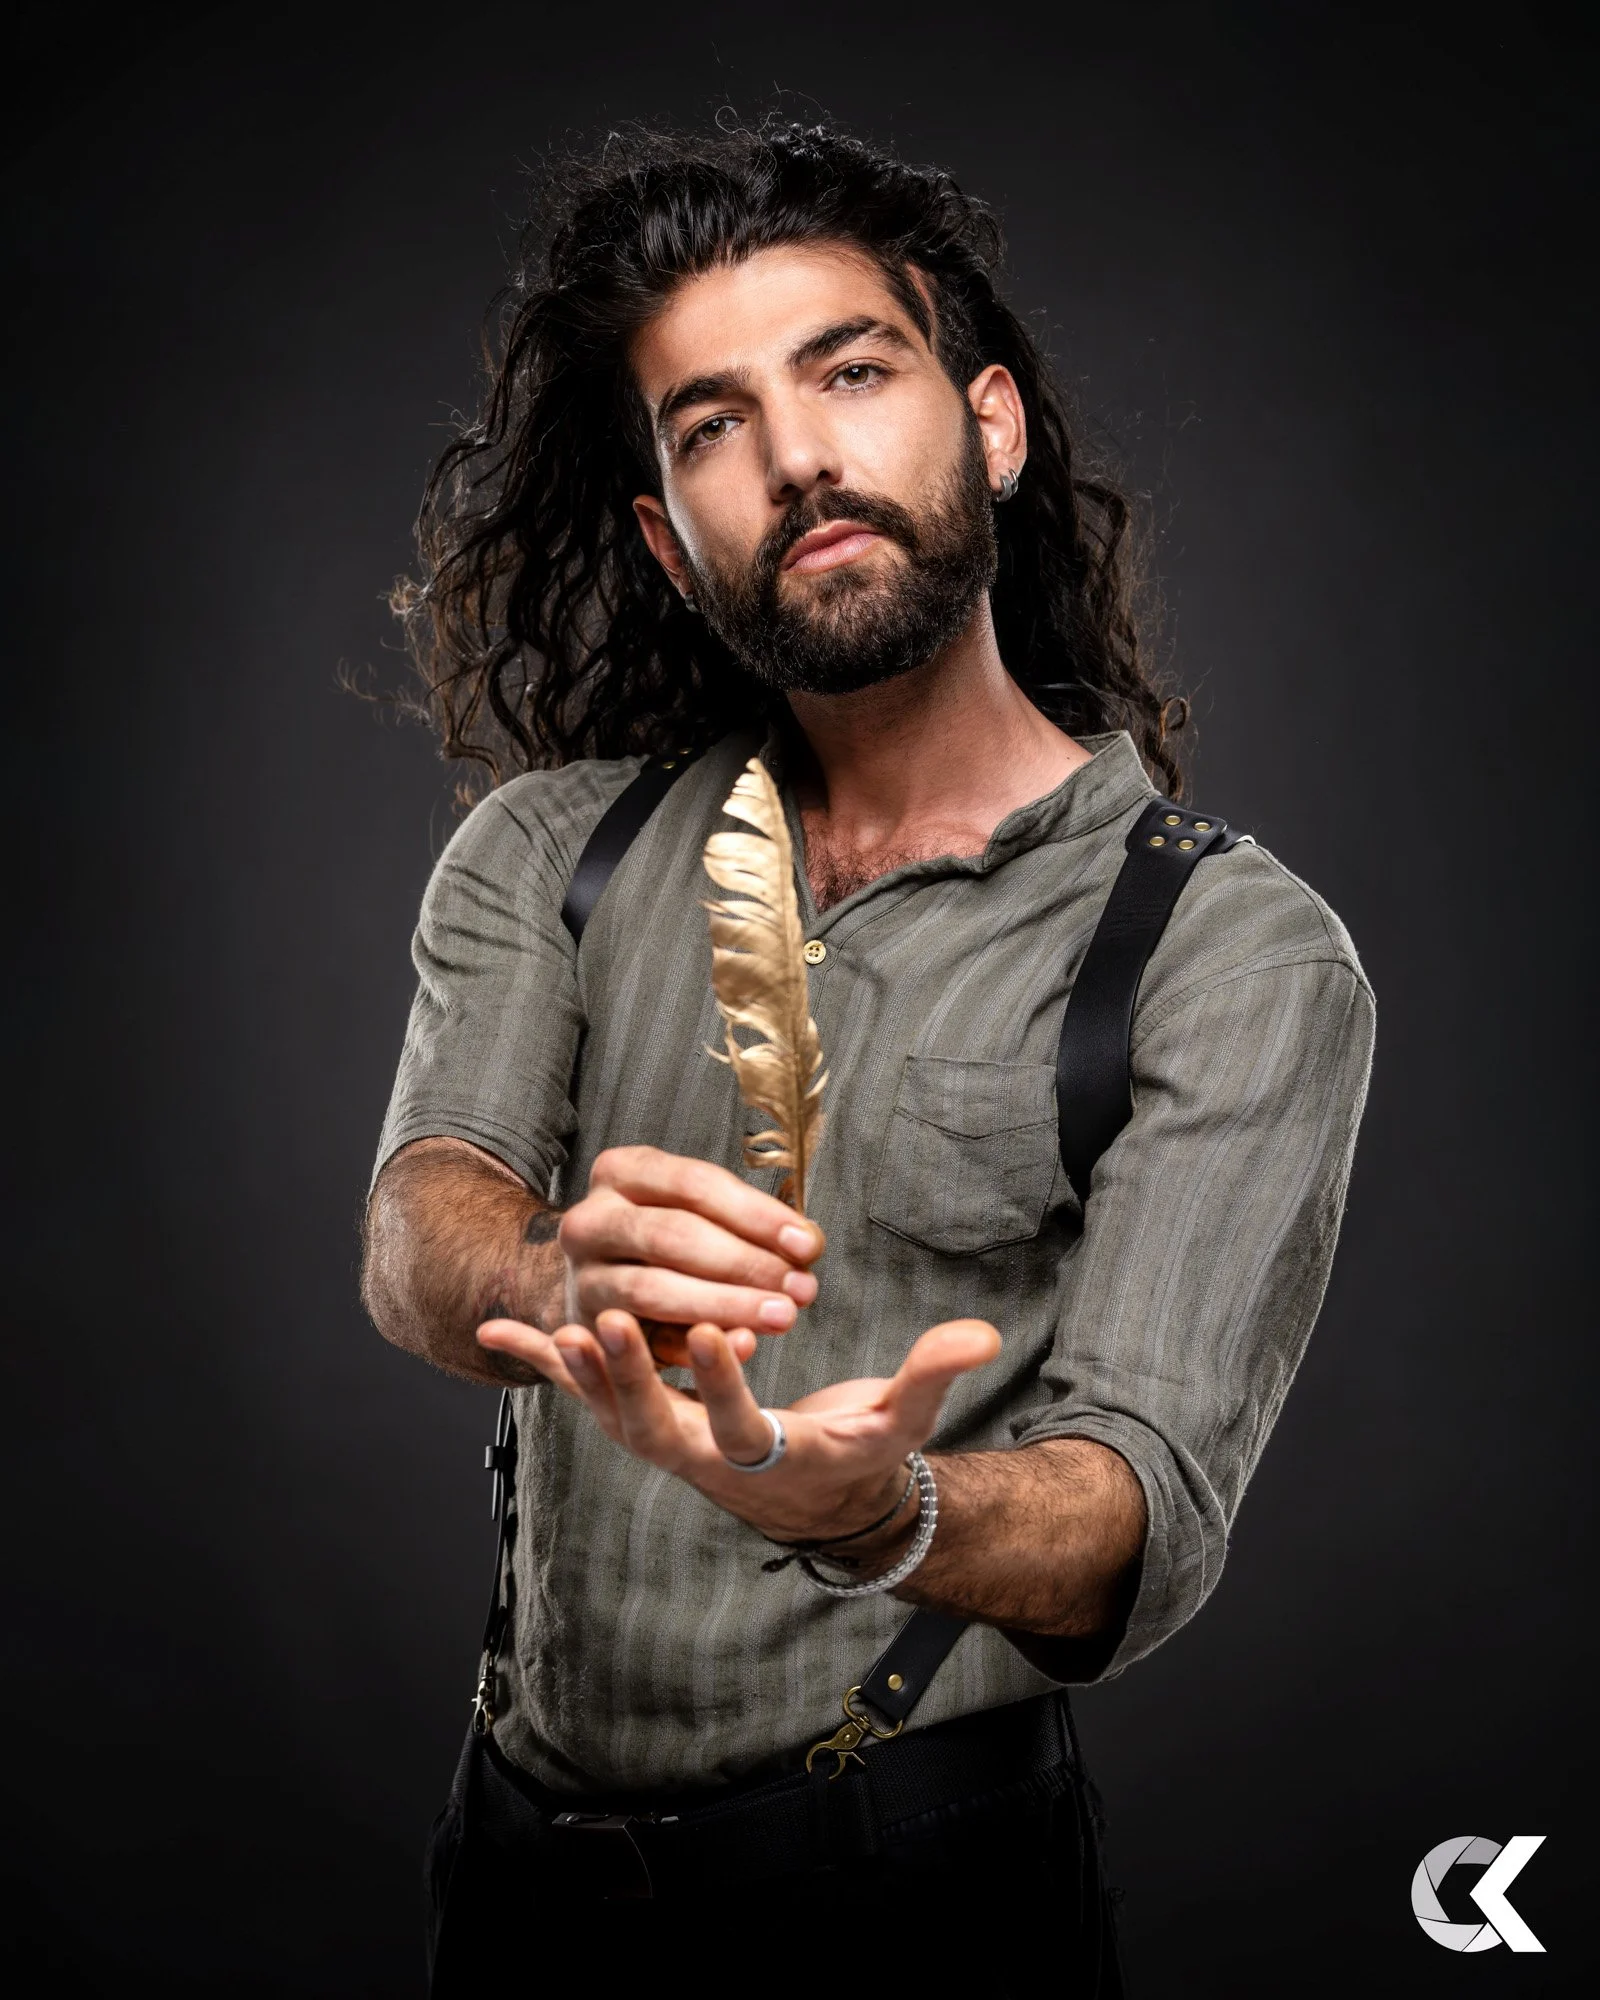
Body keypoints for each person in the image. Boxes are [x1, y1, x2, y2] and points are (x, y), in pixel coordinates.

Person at [361, 120, 1373, 1991]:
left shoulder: (1229, 952)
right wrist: (542, 1265)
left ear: (988, 425)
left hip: (917, 1895)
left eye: (851, 371)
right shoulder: (547, 855)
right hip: (514, 1885)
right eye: (713, 423)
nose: (801, 454)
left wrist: (876, 1511)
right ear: (672, 540)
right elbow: (421, 1227)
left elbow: (1136, 1515)